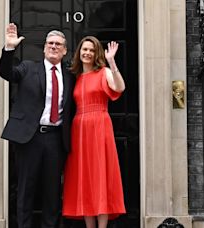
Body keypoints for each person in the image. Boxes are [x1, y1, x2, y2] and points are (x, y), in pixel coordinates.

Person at [0, 23, 75, 228]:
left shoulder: (69, 76)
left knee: (52, 193)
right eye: (50, 43)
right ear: (44, 48)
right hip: (29, 138)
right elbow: (7, 73)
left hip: (56, 139)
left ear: (65, 50)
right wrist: (8, 49)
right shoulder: (28, 67)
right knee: (26, 190)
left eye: (58, 44)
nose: (53, 46)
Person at [62, 36, 126, 228]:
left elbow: (120, 87)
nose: (87, 53)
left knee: (100, 175)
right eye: (84, 49)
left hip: (99, 124)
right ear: (79, 53)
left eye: (91, 50)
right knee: (84, 177)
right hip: (79, 128)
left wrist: (112, 61)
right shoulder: (76, 77)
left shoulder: (104, 72)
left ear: (96, 53)